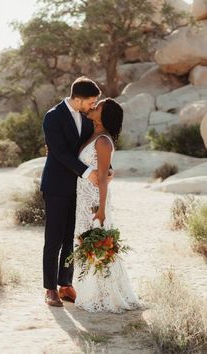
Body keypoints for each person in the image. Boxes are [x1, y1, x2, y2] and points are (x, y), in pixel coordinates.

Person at [74, 98, 140, 313]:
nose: (94, 106)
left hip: (94, 201)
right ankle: (92, 291)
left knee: (98, 244)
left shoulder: (103, 141)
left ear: (104, 115)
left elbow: (103, 177)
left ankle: (105, 294)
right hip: (84, 198)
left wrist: (101, 210)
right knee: (86, 243)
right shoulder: (93, 133)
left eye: (99, 105)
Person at [41, 77, 102, 307]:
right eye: (91, 101)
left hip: (78, 188)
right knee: (53, 239)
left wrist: (107, 168)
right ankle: (49, 289)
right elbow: (59, 153)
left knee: (70, 238)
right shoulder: (53, 116)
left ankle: (65, 284)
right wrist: (88, 173)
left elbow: (92, 147)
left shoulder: (86, 119)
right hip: (56, 187)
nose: (92, 106)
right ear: (78, 98)